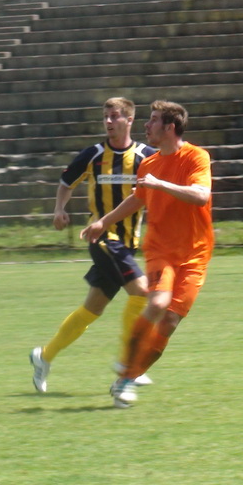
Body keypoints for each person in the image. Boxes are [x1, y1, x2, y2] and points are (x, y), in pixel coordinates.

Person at [81, 100, 213, 408]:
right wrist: (104, 221)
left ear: (170, 127)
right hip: (160, 249)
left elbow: (201, 196)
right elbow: (137, 199)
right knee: (158, 302)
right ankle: (128, 374)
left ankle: (126, 377)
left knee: (169, 323)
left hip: (195, 254)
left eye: (153, 120)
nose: (146, 125)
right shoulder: (149, 164)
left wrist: (160, 184)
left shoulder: (196, 157)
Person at [29, 97, 155, 393]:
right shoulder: (94, 155)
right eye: (106, 117)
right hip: (102, 238)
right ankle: (129, 365)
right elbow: (66, 183)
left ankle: (43, 356)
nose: (109, 122)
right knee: (142, 292)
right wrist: (59, 208)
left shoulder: (145, 156)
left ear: (129, 120)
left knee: (92, 308)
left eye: (115, 117)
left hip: (128, 243)